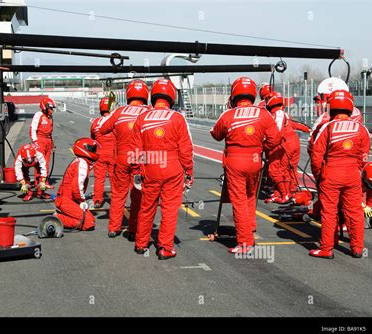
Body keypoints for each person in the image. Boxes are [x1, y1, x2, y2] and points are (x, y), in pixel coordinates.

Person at [211, 77, 281, 254]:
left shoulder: (228, 115)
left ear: (234, 94)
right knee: (250, 196)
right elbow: (275, 139)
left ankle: (244, 242)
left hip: (235, 161)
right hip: (255, 160)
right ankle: (250, 228)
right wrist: (259, 148)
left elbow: (216, 134)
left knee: (239, 201)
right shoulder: (263, 113)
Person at [132, 79, 194, 260]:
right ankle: (165, 248)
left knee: (147, 207)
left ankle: (141, 244)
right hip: (173, 168)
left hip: (150, 167)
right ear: (171, 97)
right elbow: (186, 149)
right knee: (169, 209)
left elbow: (136, 149)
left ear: (154, 97)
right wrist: (189, 171)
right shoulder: (177, 118)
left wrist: (137, 170)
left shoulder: (142, 118)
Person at [310, 90, 371, 259]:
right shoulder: (361, 128)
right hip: (352, 175)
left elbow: (316, 156)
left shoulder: (327, 127)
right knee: (355, 212)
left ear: (331, 107)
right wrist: (355, 168)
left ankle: (326, 249)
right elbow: (364, 156)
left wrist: (320, 175)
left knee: (329, 212)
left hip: (331, 174)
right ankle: (357, 248)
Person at [99, 79, 150, 239]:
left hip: (121, 158)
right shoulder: (149, 111)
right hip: (139, 159)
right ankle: (134, 229)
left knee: (118, 194)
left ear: (128, 94)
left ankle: (113, 228)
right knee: (137, 195)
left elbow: (103, 128)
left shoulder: (120, 111)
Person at [264, 92, 311, 203]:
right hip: (294, 142)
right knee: (292, 169)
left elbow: (277, 132)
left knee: (276, 170)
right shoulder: (285, 114)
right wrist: (309, 130)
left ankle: (284, 194)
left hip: (285, 144)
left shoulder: (276, 114)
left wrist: (266, 145)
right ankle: (290, 192)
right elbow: (296, 125)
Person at [55, 138, 99, 231]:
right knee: (88, 223)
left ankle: (62, 216)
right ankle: (57, 218)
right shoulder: (82, 163)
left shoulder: (80, 161)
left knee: (91, 220)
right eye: (92, 149)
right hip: (66, 200)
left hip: (69, 199)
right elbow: (77, 186)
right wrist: (82, 200)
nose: (94, 151)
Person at [90, 97, 116, 208]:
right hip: (113, 154)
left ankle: (97, 200)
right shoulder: (115, 121)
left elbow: (92, 137)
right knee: (114, 179)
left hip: (99, 153)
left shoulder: (96, 122)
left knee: (99, 178)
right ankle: (116, 200)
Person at [30, 97, 56, 188]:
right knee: (40, 162)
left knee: (46, 163)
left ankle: (44, 180)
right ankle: (38, 181)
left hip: (48, 140)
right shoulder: (38, 115)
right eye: (51, 108)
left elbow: (49, 132)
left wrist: (52, 143)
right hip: (40, 140)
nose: (52, 110)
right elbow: (33, 129)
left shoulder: (49, 117)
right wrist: (35, 141)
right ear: (45, 107)